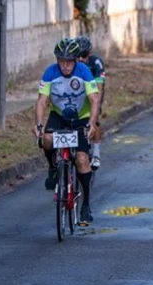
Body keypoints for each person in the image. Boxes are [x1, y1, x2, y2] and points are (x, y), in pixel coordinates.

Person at [35, 38, 101, 226]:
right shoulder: (50, 73)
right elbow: (41, 101)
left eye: (69, 62)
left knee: (81, 160)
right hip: (59, 116)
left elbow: (94, 100)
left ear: (75, 60)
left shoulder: (84, 72)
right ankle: (54, 167)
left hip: (80, 117)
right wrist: (39, 124)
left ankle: (86, 205)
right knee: (46, 140)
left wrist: (91, 124)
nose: (65, 66)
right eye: (61, 61)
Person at [75, 35, 106, 169]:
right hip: (75, 94)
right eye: (78, 56)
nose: (81, 59)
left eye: (84, 56)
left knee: (95, 119)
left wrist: (97, 106)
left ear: (90, 54)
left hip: (92, 93)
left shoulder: (96, 63)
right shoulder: (70, 63)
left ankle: (96, 153)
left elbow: (99, 88)